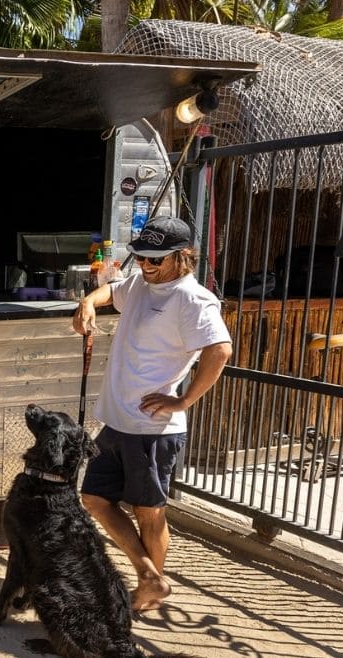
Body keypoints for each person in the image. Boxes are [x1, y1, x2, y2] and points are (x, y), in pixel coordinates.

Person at [71, 216, 232, 611]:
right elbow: (112, 290)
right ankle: (150, 576)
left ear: (183, 256)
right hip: (118, 421)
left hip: (152, 429)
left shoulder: (192, 299)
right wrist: (88, 302)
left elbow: (220, 350)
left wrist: (183, 401)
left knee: (149, 511)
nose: (145, 265)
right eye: (141, 256)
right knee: (94, 498)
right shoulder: (141, 285)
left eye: (155, 259)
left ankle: (148, 592)